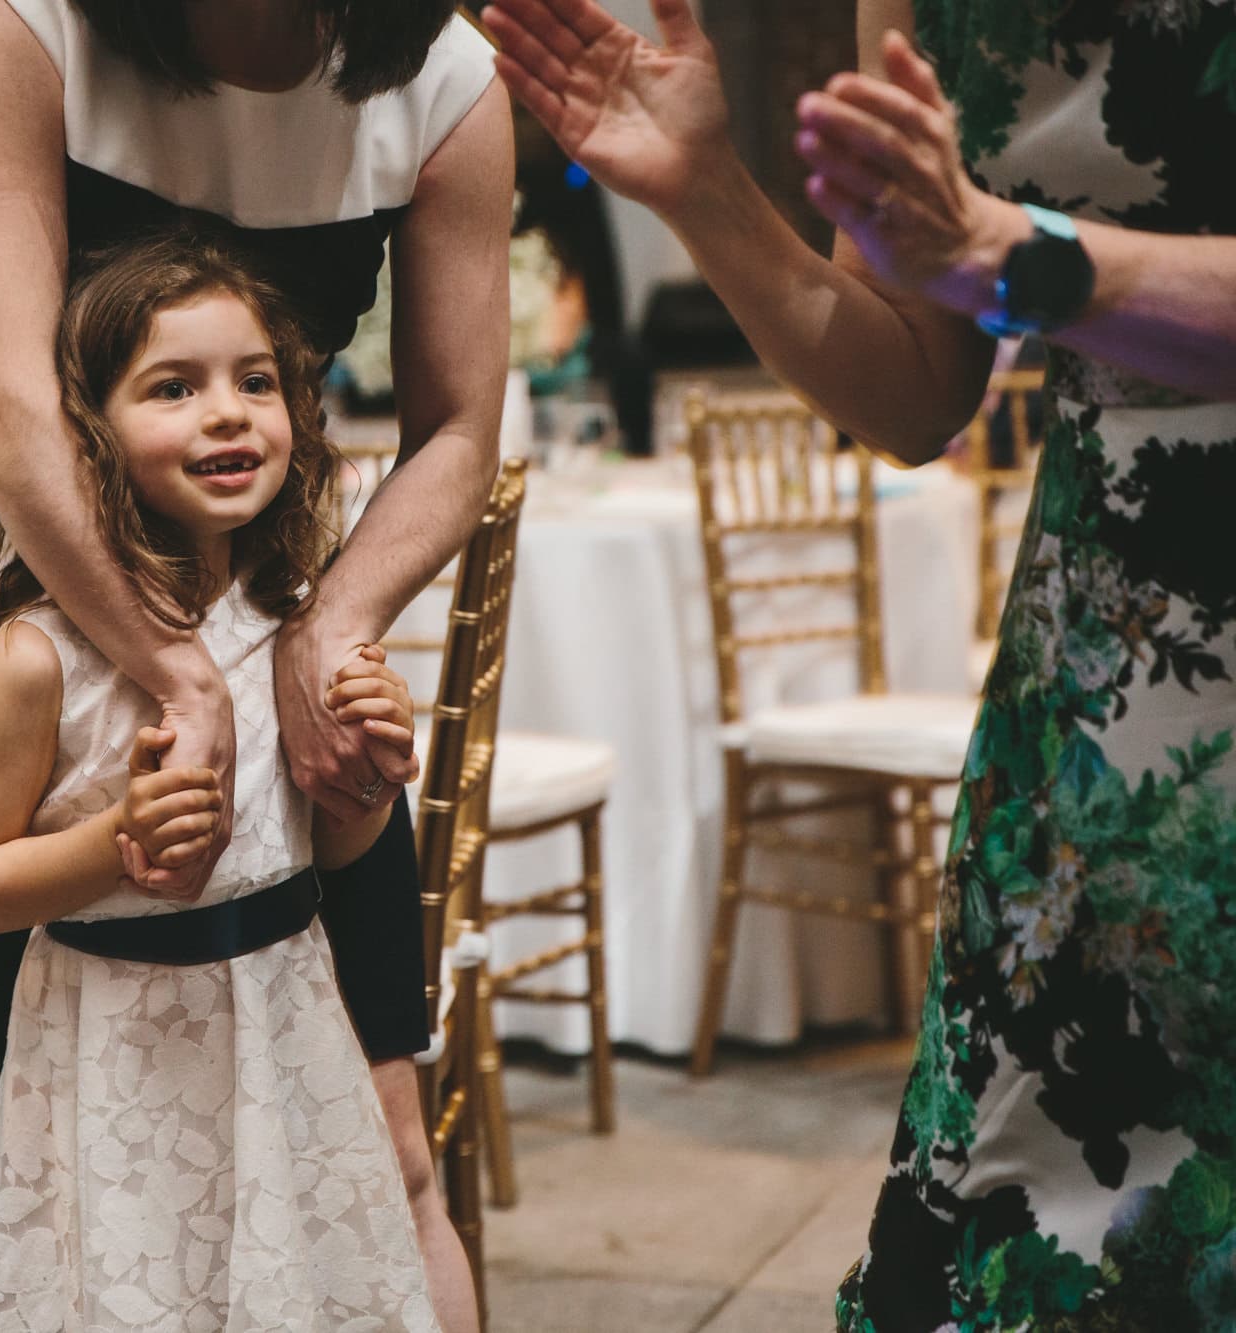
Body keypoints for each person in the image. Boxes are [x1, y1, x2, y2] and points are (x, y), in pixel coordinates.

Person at [485, 0, 1236, 1327]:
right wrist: (709, 194)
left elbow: (995, 259)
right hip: (1101, 700)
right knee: (1060, 1236)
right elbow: (912, 390)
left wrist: (1025, 256)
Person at [0, 4, 510, 1327]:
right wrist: (174, 669)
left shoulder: (447, 79)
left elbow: (458, 428)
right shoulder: (16, 16)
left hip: (259, 617)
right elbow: (0, 402)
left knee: (389, 1135)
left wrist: (320, 632)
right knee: (50, 1159)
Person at [0, 231, 441, 1331]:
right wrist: (111, 834)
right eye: (174, 386)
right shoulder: (42, 655)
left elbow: (326, 849)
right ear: (86, 439)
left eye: (255, 382)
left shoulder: (291, 623)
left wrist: (365, 781)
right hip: (117, 1048)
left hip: (282, 1020)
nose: (227, 412)